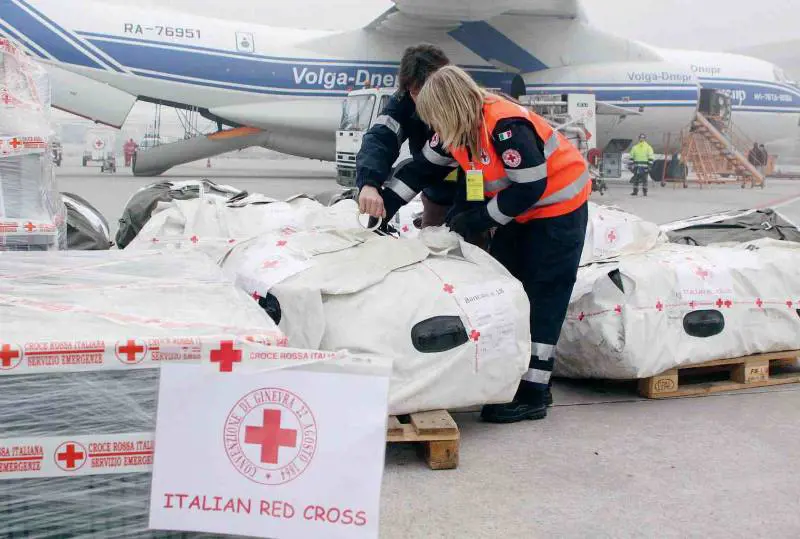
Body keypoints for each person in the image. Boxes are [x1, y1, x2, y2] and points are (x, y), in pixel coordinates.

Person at [415, 65, 590, 423]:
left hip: (558, 212)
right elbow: (421, 169)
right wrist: (379, 198)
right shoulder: (456, 129)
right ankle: (511, 378)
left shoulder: (505, 126)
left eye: (436, 118)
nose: (435, 128)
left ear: (450, 108)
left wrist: (479, 219)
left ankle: (534, 393)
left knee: (543, 296)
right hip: (519, 215)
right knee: (509, 289)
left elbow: (530, 187)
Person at [356, 44, 458, 227]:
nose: (421, 100)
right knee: (433, 238)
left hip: (479, 196)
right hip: (436, 194)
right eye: (414, 92)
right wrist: (370, 184)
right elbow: (381, 138)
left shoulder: (463, 105)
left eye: (426, 92)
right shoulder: (404, 101)